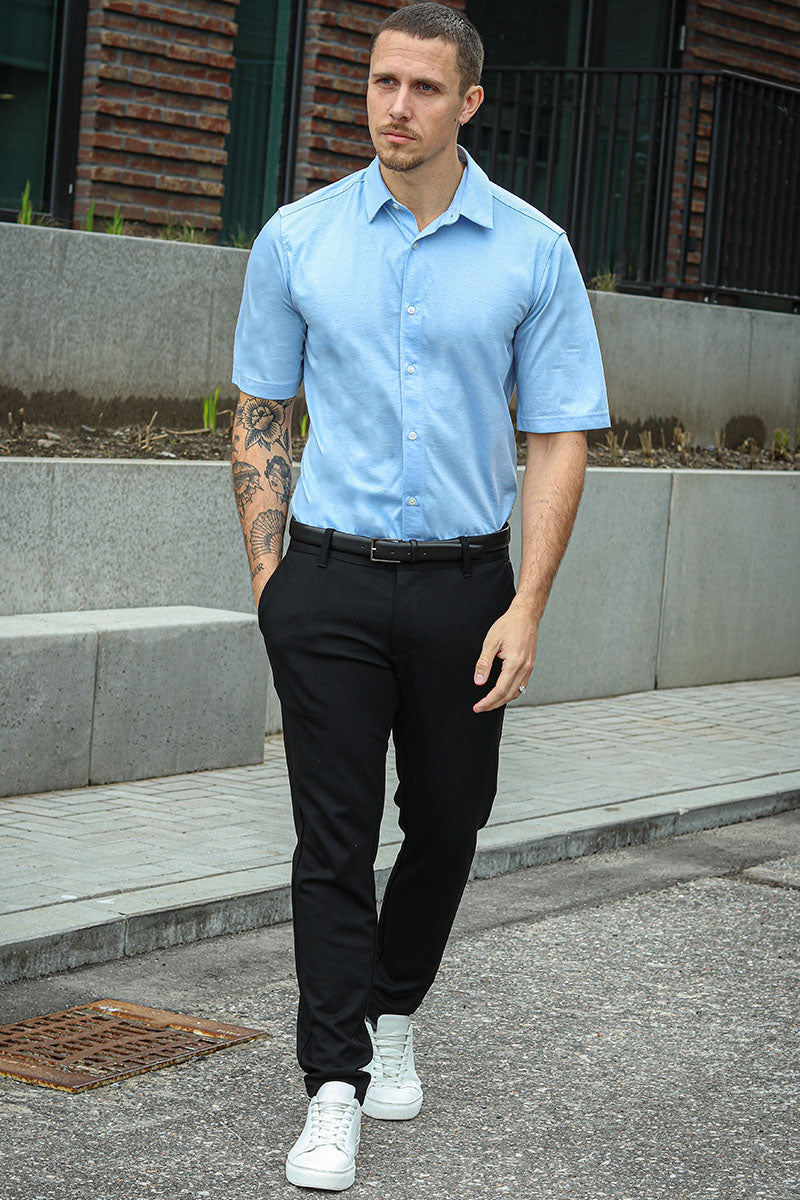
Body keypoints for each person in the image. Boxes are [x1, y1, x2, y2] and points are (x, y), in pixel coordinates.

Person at [231, 3, 609, 1190]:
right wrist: (272, 588)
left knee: (448, 819)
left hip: (465, 589)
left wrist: (526, 605)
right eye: (381, 83)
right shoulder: (296, 238)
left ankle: (392, 1006)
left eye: (424, 88)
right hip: (327, 583)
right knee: (333, 839)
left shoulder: (532, 250)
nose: (395, 108)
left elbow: (557, 436)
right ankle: (332, 1083)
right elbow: (259, 413)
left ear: (469, 102)